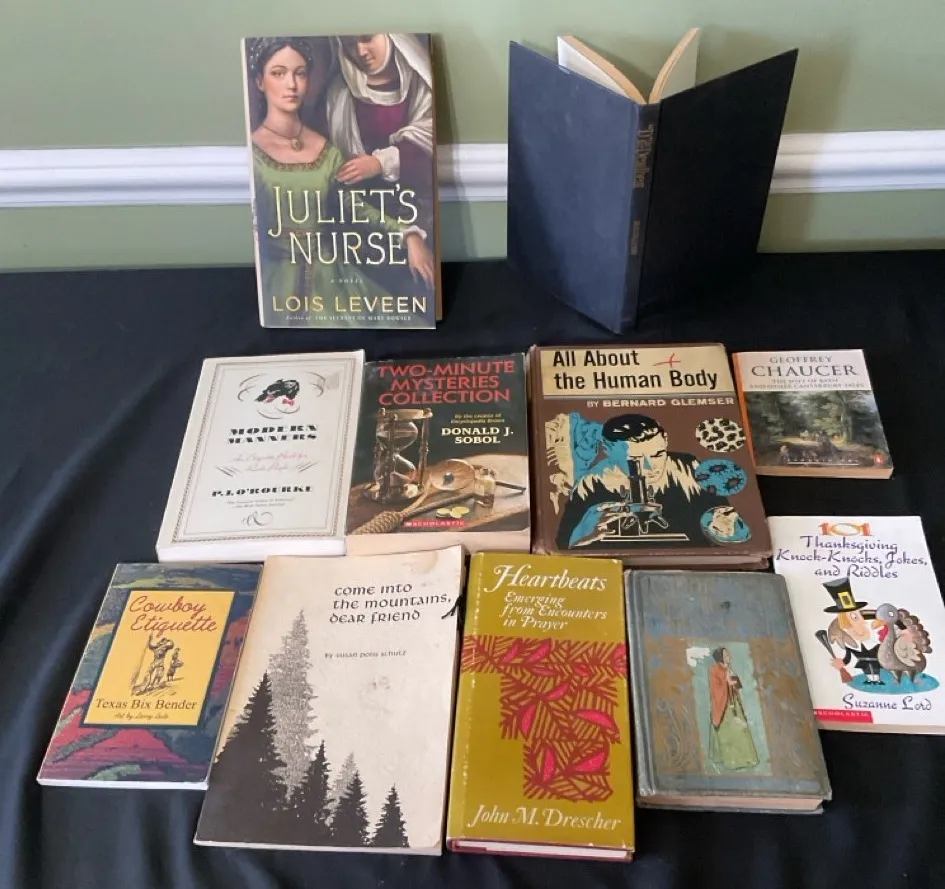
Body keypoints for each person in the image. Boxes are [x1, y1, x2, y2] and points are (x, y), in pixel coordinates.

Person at [247, 37, 435, 325]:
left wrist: (409, 235)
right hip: (277, 280)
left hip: (333, 278)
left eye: (300, 73)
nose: (291, 85)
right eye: (278, 73)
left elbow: (355, 209)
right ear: (260, 81)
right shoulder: (253, 152)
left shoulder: (326, 150)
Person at [324, 34, 437, 295]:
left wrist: (379, 163)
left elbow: (428, 148)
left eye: (367, 39)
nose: (360, 51)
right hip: (362, 218)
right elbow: (329, 161)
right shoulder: (339, 93)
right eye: (350, 44)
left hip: (418, 212)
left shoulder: (420, 85)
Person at [556, 413, 729, 549]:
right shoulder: (589, 484)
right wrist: (580, 535)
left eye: (658, 454)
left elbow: (726, 522)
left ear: (665, 441)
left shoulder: (690, 469)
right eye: (635, 460)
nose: (651, 467)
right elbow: (562, 545)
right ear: (608, 450)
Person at [822, 577, 883, 685]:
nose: (861, 622)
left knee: (876, 672)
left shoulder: (874, 637)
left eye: (858, 616)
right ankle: (871, 679)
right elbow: (848, 657)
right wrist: (842, 663)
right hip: (864, 664)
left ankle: (876, 679)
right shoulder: (851, 644)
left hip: (878, 662)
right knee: (869, 674)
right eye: (854, 618)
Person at [707, 647, 760, 771]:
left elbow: (738, 686)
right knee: (728, 733)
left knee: (741, 730)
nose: (729, 657)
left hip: (733, 703)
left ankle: (746, 758)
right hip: (722, 705)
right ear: (720, 658)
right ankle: (732, 761)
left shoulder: (728, 669)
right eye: (726, 655)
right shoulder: (714, 670)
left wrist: (733, 680)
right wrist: (726, 681)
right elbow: (715, 690)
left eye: (728, 655)